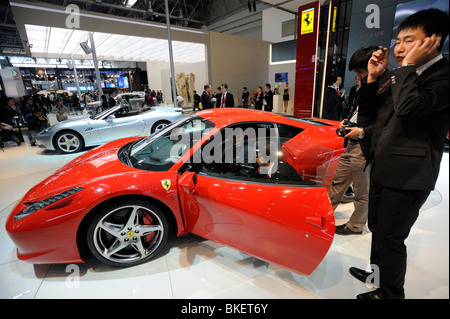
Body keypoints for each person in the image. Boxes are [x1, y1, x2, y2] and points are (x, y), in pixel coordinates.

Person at [350, 9, 449, 299]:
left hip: (409, 177)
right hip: (383, 165)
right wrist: (371, 79)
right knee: (377, 228)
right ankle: (376, 275)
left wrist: (405, 68)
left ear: (433, 41)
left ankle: (390, 294)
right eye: (398, 40)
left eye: (409, 40)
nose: (400, 48)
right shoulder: (399, 76)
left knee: (391, 238)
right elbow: (369, 116)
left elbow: (409, 109)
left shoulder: (443, 76)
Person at [328, 46, 379, 236]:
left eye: (360, 71)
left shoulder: (384, 88)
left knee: (360, 191)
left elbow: (385, 122)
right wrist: (348, 120)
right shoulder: (364, 86)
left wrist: (363, 131)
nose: (357, 75)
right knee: (337, 182)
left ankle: (356, 225)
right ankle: (324, 216)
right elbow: (358, 112)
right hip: (351, 144)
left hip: (364, 146)